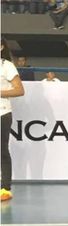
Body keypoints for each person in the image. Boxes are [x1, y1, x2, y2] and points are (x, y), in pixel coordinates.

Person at [1, 38, 24, 202]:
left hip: (2, 113)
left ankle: (5, 188)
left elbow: (19, 90)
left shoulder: (6, 66)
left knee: (2, 151)